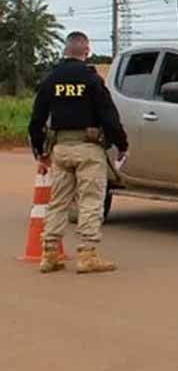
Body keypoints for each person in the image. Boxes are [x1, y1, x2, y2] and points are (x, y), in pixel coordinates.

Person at [28, 31, 129, 274]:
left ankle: (49, 253)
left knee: (58, 201)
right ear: (86, 51)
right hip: (88, 149)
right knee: (91, 200)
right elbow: (109, 115)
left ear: (65, 51)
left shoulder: (51, 79)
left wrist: (40, 152)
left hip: (60, 149)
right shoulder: (92, 80)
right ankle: (87, 254)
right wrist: (121, 143)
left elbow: (36, 120)